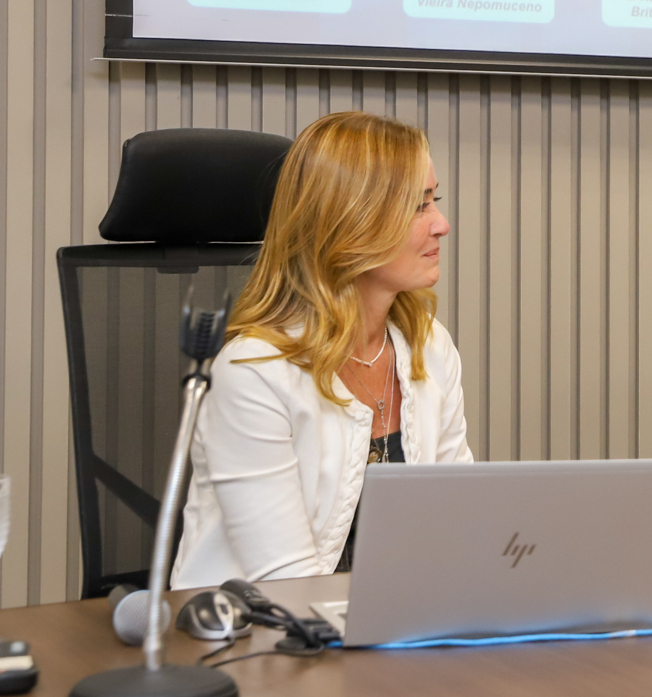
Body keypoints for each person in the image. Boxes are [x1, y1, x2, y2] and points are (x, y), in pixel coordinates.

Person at [171, 112, 471, 586]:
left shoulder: (429, 346)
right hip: (259, 636)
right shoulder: (254, 371)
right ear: (351, 222)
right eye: (419, 207)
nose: (442, 225)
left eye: (435, 201)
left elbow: (459, 524)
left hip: (384, 627)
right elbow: (285, 581)